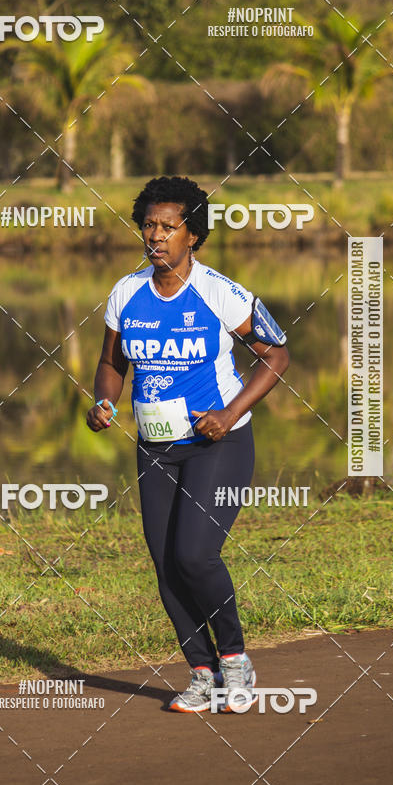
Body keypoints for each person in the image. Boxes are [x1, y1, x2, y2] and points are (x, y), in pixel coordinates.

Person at [86, 176, 290, 714]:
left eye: (168, 227)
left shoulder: (221, 292)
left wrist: (229, 413)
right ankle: (201, 672)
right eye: (148, 225)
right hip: (156, 447)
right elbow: (112, 364)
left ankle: (237, 662)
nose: (155, 236)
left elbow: (276, 357)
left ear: (192, 235)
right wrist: (104, 402)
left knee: (195, 555)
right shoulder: (125, 293)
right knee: (165, 563)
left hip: (216, 443)